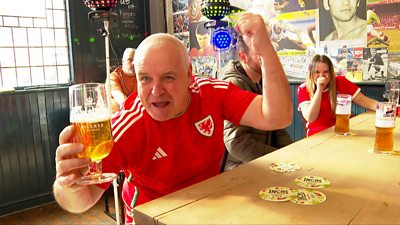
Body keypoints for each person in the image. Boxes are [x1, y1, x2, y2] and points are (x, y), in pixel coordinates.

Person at [53, 13, 292, 224]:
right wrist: (68, 183)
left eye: (168, 77)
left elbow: (277, 116)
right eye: (145, 79)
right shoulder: (128, 126)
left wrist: (265, 50)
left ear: (189, 75)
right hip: (150, 220)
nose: (156, 91)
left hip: (208, 212)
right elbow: (80, 202)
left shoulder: (212, 93)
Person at [222, 36, 293, 171]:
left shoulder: (263, 80)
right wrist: (278, 158)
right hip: (241, 168)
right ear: (243, 57)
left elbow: (277, 126)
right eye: (260, 55)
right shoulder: (235, 84)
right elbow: (236, 143)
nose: (267, 59)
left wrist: (292, 153)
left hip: (263, 163)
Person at [297, 54, 376, 136]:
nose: (321, 76)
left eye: (325, 72)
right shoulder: (304, 88)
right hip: (319, 135)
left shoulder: (341, 82)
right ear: (311, 74)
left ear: (331, 73)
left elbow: (365, 101)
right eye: (317, 72)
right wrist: (319, 90)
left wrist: (384, 108)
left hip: (344, 129)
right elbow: (310, 118)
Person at [108, 48, 137, 113]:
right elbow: (120, 99)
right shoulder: (113, 77)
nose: (133, 63)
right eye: (130, 60)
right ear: (123, 61)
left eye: (136, 60)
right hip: (115, 116)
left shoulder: (142, 76)